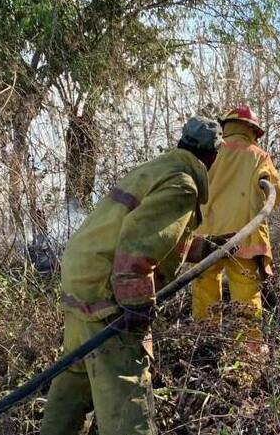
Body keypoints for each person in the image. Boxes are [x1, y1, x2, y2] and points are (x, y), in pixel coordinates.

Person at [40, 116, 223, 435]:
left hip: (82, 279)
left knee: (75, 379)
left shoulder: (156, 169)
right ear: (212, 156)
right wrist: (137, 310)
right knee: (127, 395)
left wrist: (208, 250)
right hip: (107, 292)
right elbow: (137, 248)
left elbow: (162, 237)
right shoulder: (182, 184)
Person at [190, 106, 280, 351]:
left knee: (205, 290)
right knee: (246, 298)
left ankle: (206, 347)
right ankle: (250, 355)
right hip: (244, 239)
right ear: (253, 130)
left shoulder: (210, 151)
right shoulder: (258, 156)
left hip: (206, 239)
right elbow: (277, 192)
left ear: (227, 126)